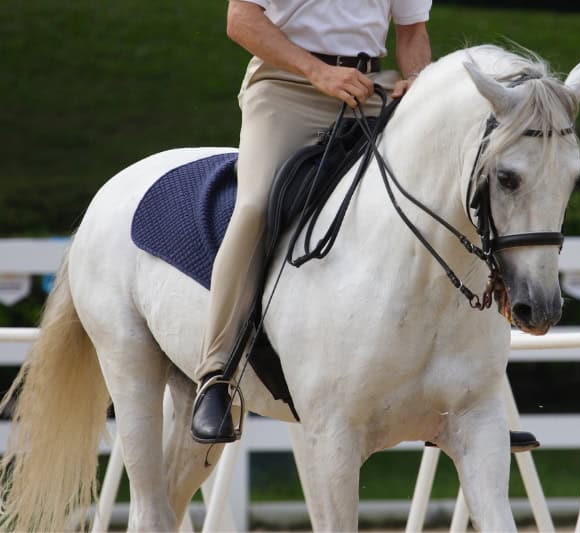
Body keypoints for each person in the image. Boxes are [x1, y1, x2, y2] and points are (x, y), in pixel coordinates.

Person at [191, 0, 540, 454]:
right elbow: (242, 21)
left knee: (441, 201)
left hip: (373, 90)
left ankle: (463, 401)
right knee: (256, 207)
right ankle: (217, 372)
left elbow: (412, 31)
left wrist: (417, 83)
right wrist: (319, 72)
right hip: (287, 87)